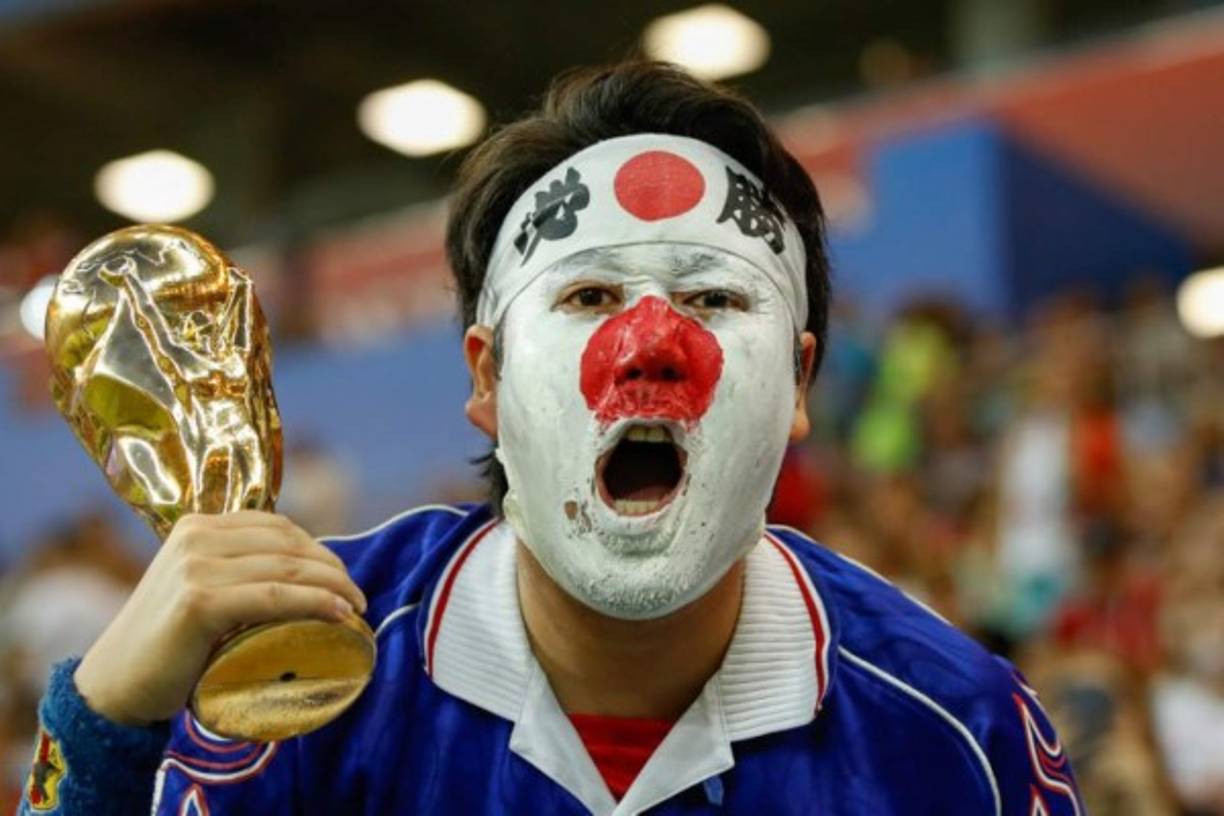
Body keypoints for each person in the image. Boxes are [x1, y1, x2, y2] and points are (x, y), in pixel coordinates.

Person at [20, 61, 1082, 815]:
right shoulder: (301, 687)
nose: (651, 348)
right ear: (484, 378)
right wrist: (106, 725)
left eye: (714, 298)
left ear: (800, 381)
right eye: (586, 295)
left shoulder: (955, 735)